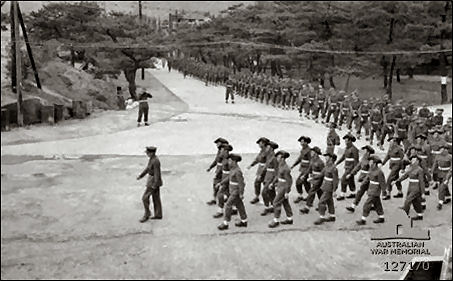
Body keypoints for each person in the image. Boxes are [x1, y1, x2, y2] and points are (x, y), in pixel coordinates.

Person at [217, 154, 248, 230]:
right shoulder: (232, 169)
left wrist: (241, 193)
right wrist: (221, 183)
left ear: (234, 161)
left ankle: (225, 223)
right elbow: (228, 178)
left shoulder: (237, 171)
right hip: (232, 190)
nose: (228, 162)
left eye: (230, 160)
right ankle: (244, 221)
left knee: (228, 205)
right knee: (239, 205)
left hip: (236, 191)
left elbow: (241, 183)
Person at [356, 155, 386, 225]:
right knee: (377, 204)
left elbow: (382, 183)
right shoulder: (371, 170)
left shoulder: (379, 172)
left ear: (375, 163)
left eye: (371, 161)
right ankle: (381, 217)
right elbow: (367, 179)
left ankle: (363, 219)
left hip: (375, 190)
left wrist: (384, 192)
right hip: (371, 189)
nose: (369, 163)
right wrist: (361, 185)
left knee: (367, 204)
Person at [394, 154, 425, 220]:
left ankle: (405, 212)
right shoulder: (411, 168)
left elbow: (421, 182)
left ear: (417, 161)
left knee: (408, 200)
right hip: (410, 186)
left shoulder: (419, 170)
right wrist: (398, 180)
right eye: (412, 159)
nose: (412, 161)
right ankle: (420, 215)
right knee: (415, 202)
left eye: (414, 159)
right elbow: (405, 175)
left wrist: (423, 193)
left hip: (416, 187)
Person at [136, 146, 163, 223]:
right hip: (153, 181)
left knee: (145, 198)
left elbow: (157, 173)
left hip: (153, 181)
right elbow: (148, 169)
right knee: (156, 198)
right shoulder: (152, 159)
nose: (147, 154)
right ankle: (158, 214)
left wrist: (154, 184)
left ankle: (147, 214)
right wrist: (141, 176)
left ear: (152, 153)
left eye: (148, 153)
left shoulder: (155, 161)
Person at [268, 150, 294, 228]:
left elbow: (289, 181)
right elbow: (278, 176)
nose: (277, 158)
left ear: (283, 158)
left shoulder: (285, 168)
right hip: (280, 186)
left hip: (283, 187)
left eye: (279, 157)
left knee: (276, 202)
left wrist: (287, 191)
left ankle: (276, 220)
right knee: (285, 202)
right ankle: (289, 218)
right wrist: (273, 183)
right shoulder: (280, 165)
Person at [345, 145, 374, 213]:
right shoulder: (363, 158)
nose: (363, 151)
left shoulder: (371, 160)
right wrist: (351, 174)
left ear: (368, 152)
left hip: (368, 178)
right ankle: (353, 206)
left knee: (363, 192)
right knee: (367, 193)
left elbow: (371, 170)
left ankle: (353, 206)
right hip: (363, 178)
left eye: (365, 150)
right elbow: (358, 166)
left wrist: (367, 178)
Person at [314, 152, 338, 225]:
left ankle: (322, 217)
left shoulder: (334, 168)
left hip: (329, 187)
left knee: (321, 202)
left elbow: (335, 180)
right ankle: (332, 216)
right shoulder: (327, 166)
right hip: (325, 186)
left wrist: (334, 190)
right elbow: (321, 174)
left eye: (327, 157)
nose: (325, 158)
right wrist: (312, 177)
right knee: (329, 201)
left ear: (331, 158)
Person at [299, 146, 325, 214]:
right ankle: (323, 205)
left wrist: (314, 178)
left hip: (319, 179)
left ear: (316, 153)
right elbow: (309, 169)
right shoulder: (312, 160)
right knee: (319, 193)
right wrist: (304, 175)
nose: (311, 153)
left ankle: (307, 208)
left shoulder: (320, 162)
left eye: (312, 152)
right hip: (314, 178)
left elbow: (323, 172)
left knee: (311, 192)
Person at [336, 133, 359, 200]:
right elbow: (343, 157)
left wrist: (354, 171)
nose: (345, 142)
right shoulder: (346, 148)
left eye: (347, 141)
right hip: (347, 167)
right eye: (345, 141)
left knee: (343, 179)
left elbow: (356, 161)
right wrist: (337, 163)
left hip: (351, 168)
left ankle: (342, 194)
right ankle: (353, 193)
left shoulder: (354, 149)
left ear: (350, 141)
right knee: (350, 180)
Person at [206, 137, 229, 205]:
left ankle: (229, 202)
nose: (216, 145)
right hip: (219, 171)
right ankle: (215, 198)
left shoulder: (225, 153)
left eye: (218, 144)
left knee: (225, 187)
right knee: (216, 184)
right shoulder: (219, 151)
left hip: (223, 172)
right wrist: (210, 167)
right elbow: (216, 160)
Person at [213, 144, 234, 218]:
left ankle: (220, 210)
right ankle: (234, 208)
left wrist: (222, 182)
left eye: (221, 150)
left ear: (226, 151)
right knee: (229, 194)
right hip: (224, 178)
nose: (220, 151)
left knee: (220, 194)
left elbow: (231, 173)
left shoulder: (229, 160)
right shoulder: (224, 158)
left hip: (227, 180)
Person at [248, 137, 270, 204]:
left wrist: (261, 173)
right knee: (257, 183)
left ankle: (268, 198)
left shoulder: (268, 151)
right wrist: (251, 165)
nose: (258, 145)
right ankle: (257, 197)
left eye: (259, 143)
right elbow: (258, 159)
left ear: (263, 143)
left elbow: (267, 163)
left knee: (265, 184)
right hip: (261, 168)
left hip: (266, 170)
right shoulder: (262, 150)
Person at [291, 136, 312, 204]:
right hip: (303, 168)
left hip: (306, 169)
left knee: (298, 182)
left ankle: (301, 196)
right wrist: (293, 165)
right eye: (301, 142)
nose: (301, 143)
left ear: (306, 142)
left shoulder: (309, 151)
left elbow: (311, 162)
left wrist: (308, 172)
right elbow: (299, 159)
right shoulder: (303, 149)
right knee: (306, 184)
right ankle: (310, 197)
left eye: (303, 142)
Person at [261, 141, 279, 216]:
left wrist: (275, 181)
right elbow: (265, 167)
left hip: (271, 177)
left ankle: (267, 207)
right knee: (271, 192)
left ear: (271, 148)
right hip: (267, 176)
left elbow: (277, 170)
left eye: (268, 147)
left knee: (264, 192)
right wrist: (262, 175)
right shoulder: (268, 156)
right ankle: (273, 206)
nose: (266, 148)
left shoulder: (274, 158)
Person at [431, 145, 452, 210]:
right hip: (440, 173)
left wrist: (448, 177)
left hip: (447, 173)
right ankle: (448, 197)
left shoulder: (450, 157)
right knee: (444, 186)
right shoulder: (438, 156)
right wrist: (432, 173)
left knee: (441, 187)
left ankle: (440, 203)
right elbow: (435, 164)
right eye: (440, 150)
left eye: (442, 150)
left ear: (445, 150)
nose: (440, 151)